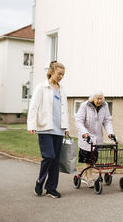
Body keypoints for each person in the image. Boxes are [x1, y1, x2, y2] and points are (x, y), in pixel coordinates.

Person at [28, 61, 69, 199]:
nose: (60, 77)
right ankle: (40, 181)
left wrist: (66, 127)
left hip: (59, 129)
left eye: (62, 75)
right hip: (45, 128)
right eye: (59, 74)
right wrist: (31, 125)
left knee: (56, 160)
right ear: (51, 72)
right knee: (49, 156)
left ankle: (51, 188)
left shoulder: (62, 89)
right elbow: (33, 107)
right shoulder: (41, 88)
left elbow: (64, 110)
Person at [75, 90, 115, 187]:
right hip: (87, 137)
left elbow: (107, 121)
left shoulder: (104, 106)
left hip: (97, 138)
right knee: (88, 160)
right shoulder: (85, 106)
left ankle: (85, 175)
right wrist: (85, 133)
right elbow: (79, 121)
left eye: (101, 98)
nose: (100, 100)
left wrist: (110, 133)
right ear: (93, 98)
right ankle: (90, 178)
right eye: (98, 98)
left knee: (93, 160)